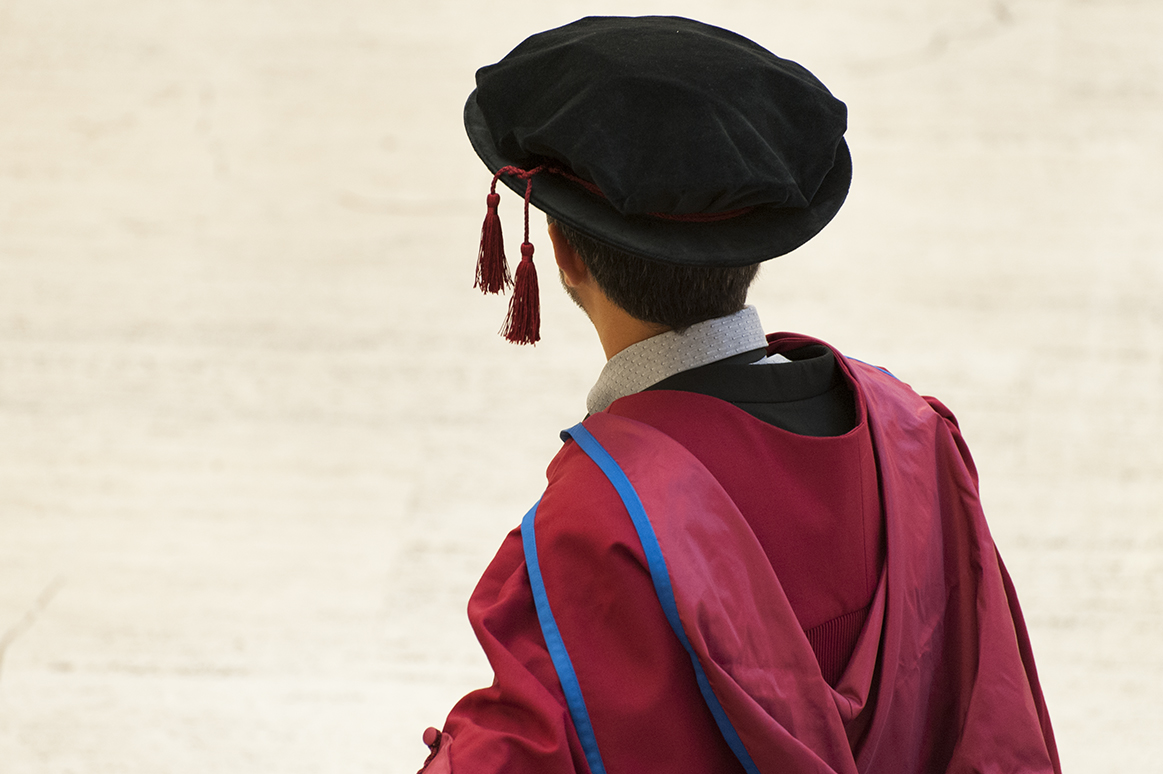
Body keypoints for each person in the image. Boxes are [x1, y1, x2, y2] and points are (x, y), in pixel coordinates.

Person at [419, 15, 1060, 774]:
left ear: (561, 252)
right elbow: (992, 720)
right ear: (753, 248)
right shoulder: (912, 437)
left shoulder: (601, 524)